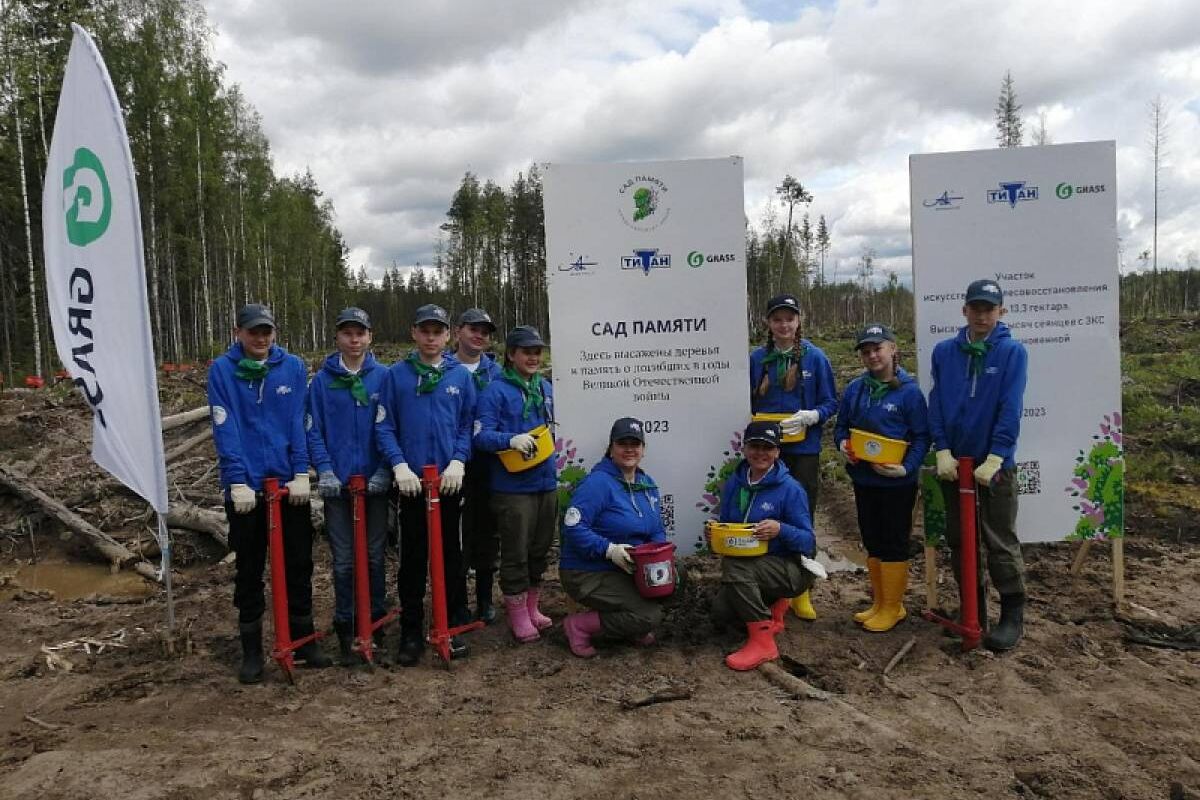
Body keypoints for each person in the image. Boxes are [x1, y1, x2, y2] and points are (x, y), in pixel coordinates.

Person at [208, 303, 331, 683]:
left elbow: (298, 420)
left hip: (287, 482)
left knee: (298, 563)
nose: (260, 339)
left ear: (274, 333)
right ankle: (252, 651)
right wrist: (236, 480)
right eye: (253, 332)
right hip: (246, 487)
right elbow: (224, 425)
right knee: (249, 567)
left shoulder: (291, 367)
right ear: (238, 333)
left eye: (266, 332)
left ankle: (303, 639)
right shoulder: (222, 371)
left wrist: (300, 471)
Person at [928, 279, 1028, 651]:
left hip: (994, 466)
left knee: (999, 539)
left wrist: (998, 456)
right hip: (956, 464)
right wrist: (941, 448)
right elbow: (936, 402)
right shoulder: (944, 352)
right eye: (976, 307)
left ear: (1000, 311)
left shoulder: (1012, 353)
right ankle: (973, 609)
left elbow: (1010, 407)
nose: (982, 315)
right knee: (959, 538)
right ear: (964, 310)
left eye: (989, 308)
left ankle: (1012, 615)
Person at [376, 304, 476, 667]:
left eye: (438, 331)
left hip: (449, 485)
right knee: (413, 561)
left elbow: (467, 425)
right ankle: (412, 631)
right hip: (412, 487)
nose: (431, 337)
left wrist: (459, 461)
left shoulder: (460, 377)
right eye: (425, 330)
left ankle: (450, 626)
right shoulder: (396, 376)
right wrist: (399, 465)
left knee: (451, 557)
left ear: (448, 335)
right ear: (414, 333)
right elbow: (384, 426)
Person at [306, 307, 392, 664]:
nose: (354, 340)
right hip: (338, 488)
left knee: (373, 557)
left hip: (374, 486)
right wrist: (325, 470)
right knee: (342, 560)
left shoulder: (384, 378)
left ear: (370, 337)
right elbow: (314, 431)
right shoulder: (322, 383)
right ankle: (346, 623)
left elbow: (392, 427)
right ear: (338, 337)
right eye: (347, 333)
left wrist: (385, 470)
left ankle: (375, 621)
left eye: (360, 333)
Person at [833, 323, 930, 632]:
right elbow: (841, 428)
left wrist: (907, 467)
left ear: (892, 349)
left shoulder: (909, 392)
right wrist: (843, 446)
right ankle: (879, 602)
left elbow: (921, 436)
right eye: (866, 351)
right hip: (864, 480)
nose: (872, 355)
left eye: (877, 348)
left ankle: (893, 606)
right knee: (872, 540)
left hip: (896, 484)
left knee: (893, 543)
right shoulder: (855, 389)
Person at [748, 293, 837, 620]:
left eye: (789, 318)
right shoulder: (757, 359)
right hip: (764, 451)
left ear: (798, 321)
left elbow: (831, 402)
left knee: (800, 517)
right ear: (768, 324)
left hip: (803, 450)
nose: (784, 325)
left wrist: (813, 415)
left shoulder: (815, 358)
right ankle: (772, 587)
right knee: (765, 514)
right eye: (777, 319)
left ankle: (802, 590)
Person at [710, 421, 818, 671]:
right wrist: (716, 532)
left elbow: (808, 541)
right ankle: (773, 608)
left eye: (767, 448)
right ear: (744, 448)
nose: (760, 453)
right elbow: (728, 524)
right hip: (754, 564)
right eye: (755, 446)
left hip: (790, 568)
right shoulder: (735, 483)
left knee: (734, 567)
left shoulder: (790, 489)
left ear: (777, 452)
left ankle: (763, 643)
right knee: (722, 613)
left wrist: (781, 529)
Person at [474, 325, 557, 644]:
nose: (533, 357)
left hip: (545, 482)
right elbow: (480, 436)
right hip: (512, 488)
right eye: (527, 352)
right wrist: (510, 440)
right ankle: (517, 613)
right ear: (511, 355)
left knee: (540, 548)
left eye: (537, 352)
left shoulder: (545, 388)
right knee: (515, 553)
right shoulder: (495, 391)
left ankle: (533, 607)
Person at [559, 418, 667, 657]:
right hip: (587, 571)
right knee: (649, 615)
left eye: (635, 443)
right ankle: (579, 626)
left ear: (643, 449)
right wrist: (610, 550)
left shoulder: (647, 484)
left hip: (628, 567)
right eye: (622, 443)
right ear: (611, 448)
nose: (629, 449)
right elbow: (574, 528)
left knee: (675, 577)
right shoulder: (597, 483)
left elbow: (656, 529)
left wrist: (656, 555)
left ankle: (632, 623)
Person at [452, 308, 503, 623]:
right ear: (458, 331)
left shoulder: (496, 373)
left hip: (488, 464)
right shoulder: (441, 369)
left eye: (485, 331)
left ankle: (485, 599)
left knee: (487, 533)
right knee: (457, 535)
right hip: (452, 465)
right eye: (473, 329)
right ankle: (456, 603)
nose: (479, 335)